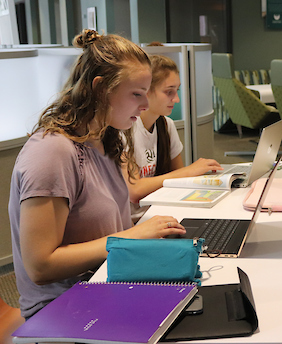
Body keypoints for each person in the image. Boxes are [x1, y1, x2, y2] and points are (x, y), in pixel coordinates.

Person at [8, 30, 187, 319]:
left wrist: (144, 233)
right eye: (136, 94)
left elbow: (104, 228)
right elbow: (40, 266)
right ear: (101, 88)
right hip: (62, 308)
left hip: (107, 283)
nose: (144, 106)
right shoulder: (52, 152)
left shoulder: (105, 138)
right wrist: (131, 237)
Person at [125, 54, 222, 222]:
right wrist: (188, 171)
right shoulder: (125, 129)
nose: (176, 99)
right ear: (146, 91)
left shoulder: (166, 125)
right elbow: (134, 191)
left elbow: (178, 180)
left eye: (177, 91)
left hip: (161, 212)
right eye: (169, 92)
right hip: (134, 222)